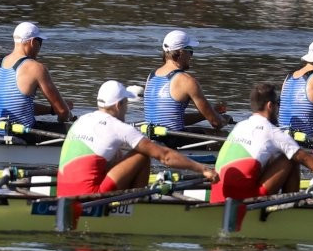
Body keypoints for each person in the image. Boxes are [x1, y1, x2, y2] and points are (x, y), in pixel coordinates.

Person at [57, 80, 219, 197]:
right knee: (143, 153)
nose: (126, 108)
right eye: (126, 103)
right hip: (90, 195)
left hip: (62, 192)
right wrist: (203, 169)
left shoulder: (81, 120)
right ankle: (137, 202)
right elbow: (165, 156)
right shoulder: (119, 127)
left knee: (117, 155)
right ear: (119, 105)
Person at [211, 83, 313, 202]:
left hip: (217, 194)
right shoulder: (274, 133)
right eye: (278, 103)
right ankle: (289, 205)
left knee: (280, 155)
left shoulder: (240, 126)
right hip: (243, 201)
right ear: (270, 106)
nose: (279, 107)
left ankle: (285, 199)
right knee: (292, 158)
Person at [0, 21, 73, 132]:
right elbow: (63, 112)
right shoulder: (36, 68)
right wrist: (65, 117)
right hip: (26, 135)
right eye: (40, 41)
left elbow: (19, 106)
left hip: (1, 134)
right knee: (78, 131)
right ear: (33, 42)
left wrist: (51, 110)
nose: (40, 47)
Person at [143, 29, 231, 133]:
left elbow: (172, 118)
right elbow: (216, 123)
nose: (191, 55)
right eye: (190, 50)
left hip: (150, 136)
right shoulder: (187, 81)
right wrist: (224, 119)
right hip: (172, 140)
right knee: (227, 137)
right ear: (181, 52)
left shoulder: (151, 77)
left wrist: (208, 113)